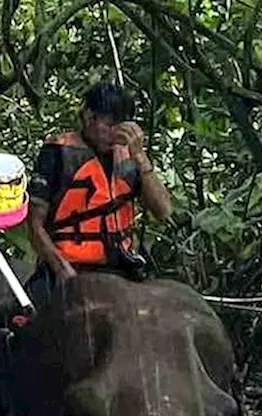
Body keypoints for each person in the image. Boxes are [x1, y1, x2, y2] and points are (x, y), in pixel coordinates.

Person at [23, 80, 173, 300]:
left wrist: (141, 157)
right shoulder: (57, 153)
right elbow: (34, 225)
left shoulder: (130, 156)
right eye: (108, 125)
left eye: (120, 126)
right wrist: (62, 269)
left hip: (123, 268)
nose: (114, 134)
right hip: (69, 267)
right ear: (88, 117)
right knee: (25, 321)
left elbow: (164, 211)